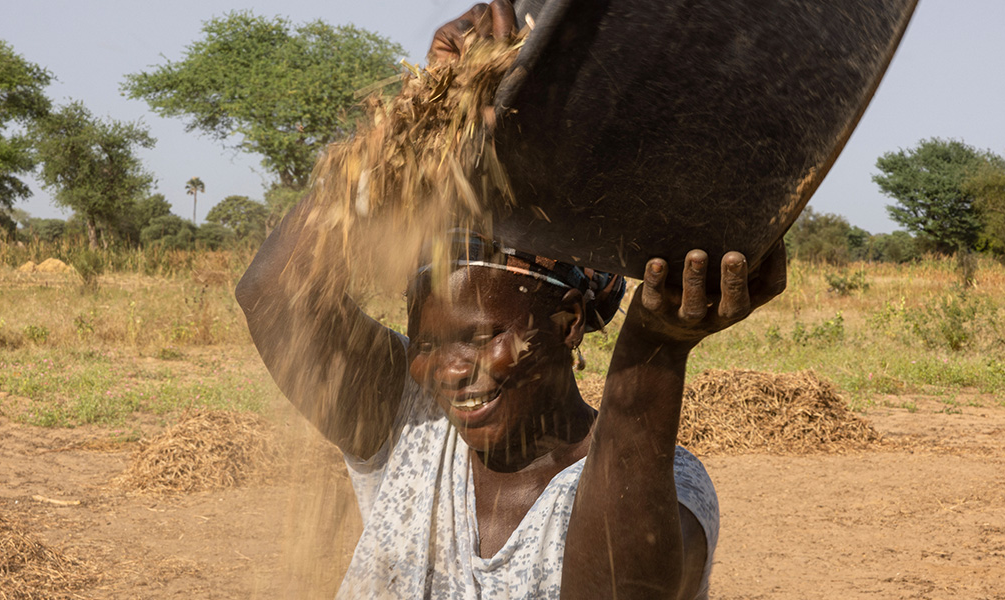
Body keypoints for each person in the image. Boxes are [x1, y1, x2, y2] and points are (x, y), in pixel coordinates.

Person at [235, 3, 787, 598]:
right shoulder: (408, 422)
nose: (447, 371)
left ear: (568, 323)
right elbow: (273, 293)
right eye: (425, 343)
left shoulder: (671, 485)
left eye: (478, 337)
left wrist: (656, 349)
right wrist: (430, 116)